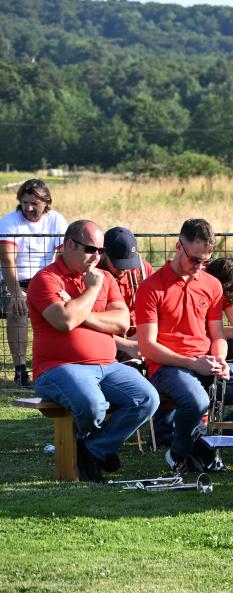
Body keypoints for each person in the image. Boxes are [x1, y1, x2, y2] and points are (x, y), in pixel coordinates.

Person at [28, 220, 160, 482]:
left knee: (147, 398)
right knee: (92, 404)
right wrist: (92, 290)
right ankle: (95, 449)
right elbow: (64, 321)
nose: (97, 257)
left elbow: (122, 322)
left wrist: (81, 312)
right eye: (90, 249)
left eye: (101, 250)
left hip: (109, 365)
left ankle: (93, 449)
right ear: (69, 245)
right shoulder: (46, 279)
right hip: (58, 367)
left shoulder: (105, 278)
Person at [137, 219, 233, 473]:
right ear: (178, 247)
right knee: (197, 401)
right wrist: (193, 363)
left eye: (205, 261)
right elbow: (148, 347)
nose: (199, 266)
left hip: (205, 361)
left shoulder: (211, 284)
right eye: (195, 260)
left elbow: (217, 335)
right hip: (167, 366)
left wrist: (220, 359)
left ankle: (204, 446)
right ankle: (179, 453)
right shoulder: (151, 287)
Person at [0, 179, 68, 386]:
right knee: (17, 308)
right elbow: (7, 260)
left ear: (46, 202)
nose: (28, 208)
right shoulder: (9, 221)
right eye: (24, 203)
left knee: (63, 311)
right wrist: (16, 293)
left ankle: (57, 365)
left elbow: (63, 257)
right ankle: (20, 370)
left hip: (45, 279)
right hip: (14, 279)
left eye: (34, 204)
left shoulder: (56, 220)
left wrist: (61, 288)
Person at [100, 226, 154, 361]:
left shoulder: (143, 269)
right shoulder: (93, 275)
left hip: (140, 338)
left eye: (129, 264)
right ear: (104, 254)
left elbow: (159, 309)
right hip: (105, 341)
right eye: (118, 264)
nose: (124, 270)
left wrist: (137, 338)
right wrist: (125, 345)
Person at [206, 257, 233, 359]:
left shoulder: (227, 289)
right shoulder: (200, 287)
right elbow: (199, 331)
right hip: (194, 345)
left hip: (217, 342)